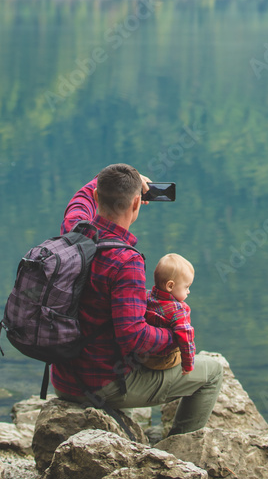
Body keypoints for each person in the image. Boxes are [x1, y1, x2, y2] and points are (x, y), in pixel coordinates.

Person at [51, 162, 223, 435]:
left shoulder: (75, 231)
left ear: (97, 197)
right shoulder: (125, 261)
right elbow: (134, 337)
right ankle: (179, 453)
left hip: (63, 378)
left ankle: (132, 436)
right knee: (212, 372)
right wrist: (176, 336)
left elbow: (78, 200)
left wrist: (102, 180)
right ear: (137, 203)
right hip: (98, 385)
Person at [141, 253, 196, 373]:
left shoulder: (145, 296)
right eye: (186, 287)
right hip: (163, 360)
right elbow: (187, 340)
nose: (188, 291)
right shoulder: (179, 310)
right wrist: (188, 365)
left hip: (141, 357)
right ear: (170, 286)